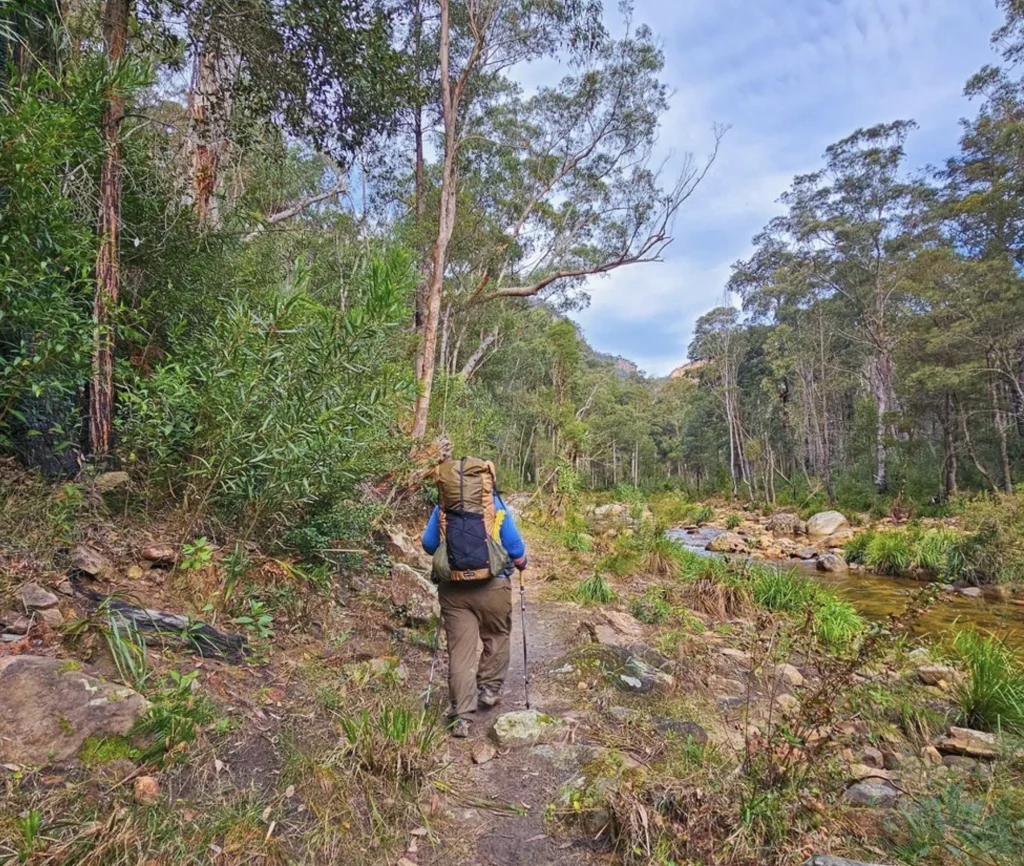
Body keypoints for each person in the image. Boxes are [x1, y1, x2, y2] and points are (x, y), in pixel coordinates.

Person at [421, 461, 527, 738]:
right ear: (485, 481)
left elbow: (429, 545)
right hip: (493, 585)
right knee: (497, 634)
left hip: (454, 590)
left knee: (460, 651)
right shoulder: (494, 505)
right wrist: (521, 562)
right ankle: (489, 690)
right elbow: (514, 546)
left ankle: (462, 717)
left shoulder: (442, 509)